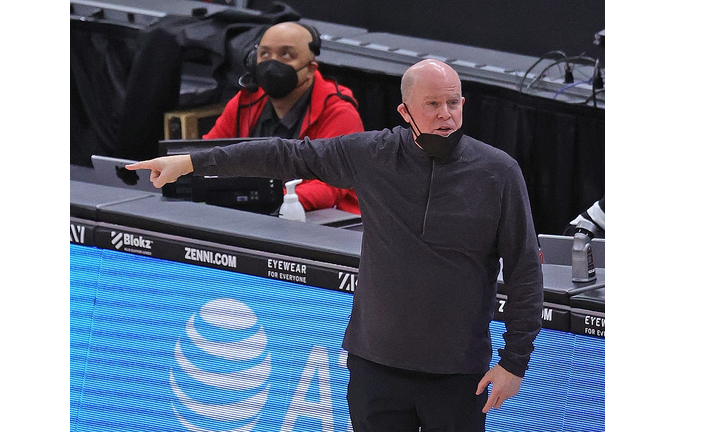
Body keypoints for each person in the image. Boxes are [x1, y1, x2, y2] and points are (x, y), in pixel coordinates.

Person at [127, 59, 544, 432]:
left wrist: (514, 362)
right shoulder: (372, 154)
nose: (445, 116)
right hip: (376, 366)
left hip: (458, 373)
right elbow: (283, 155)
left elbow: (525, 271)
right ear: (405, 111)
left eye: (453, 103)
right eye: (432, 105)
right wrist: (191, 163)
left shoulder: (498, 173)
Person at [206, 21, 364, 214]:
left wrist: (270, 200)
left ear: (311, 69)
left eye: (286, 55)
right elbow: (209, 151)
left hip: (323, 222)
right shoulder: (247, 99)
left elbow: (330, 186)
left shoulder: (339, 112)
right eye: (264, 54)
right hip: (255, 214)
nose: (272, 62)